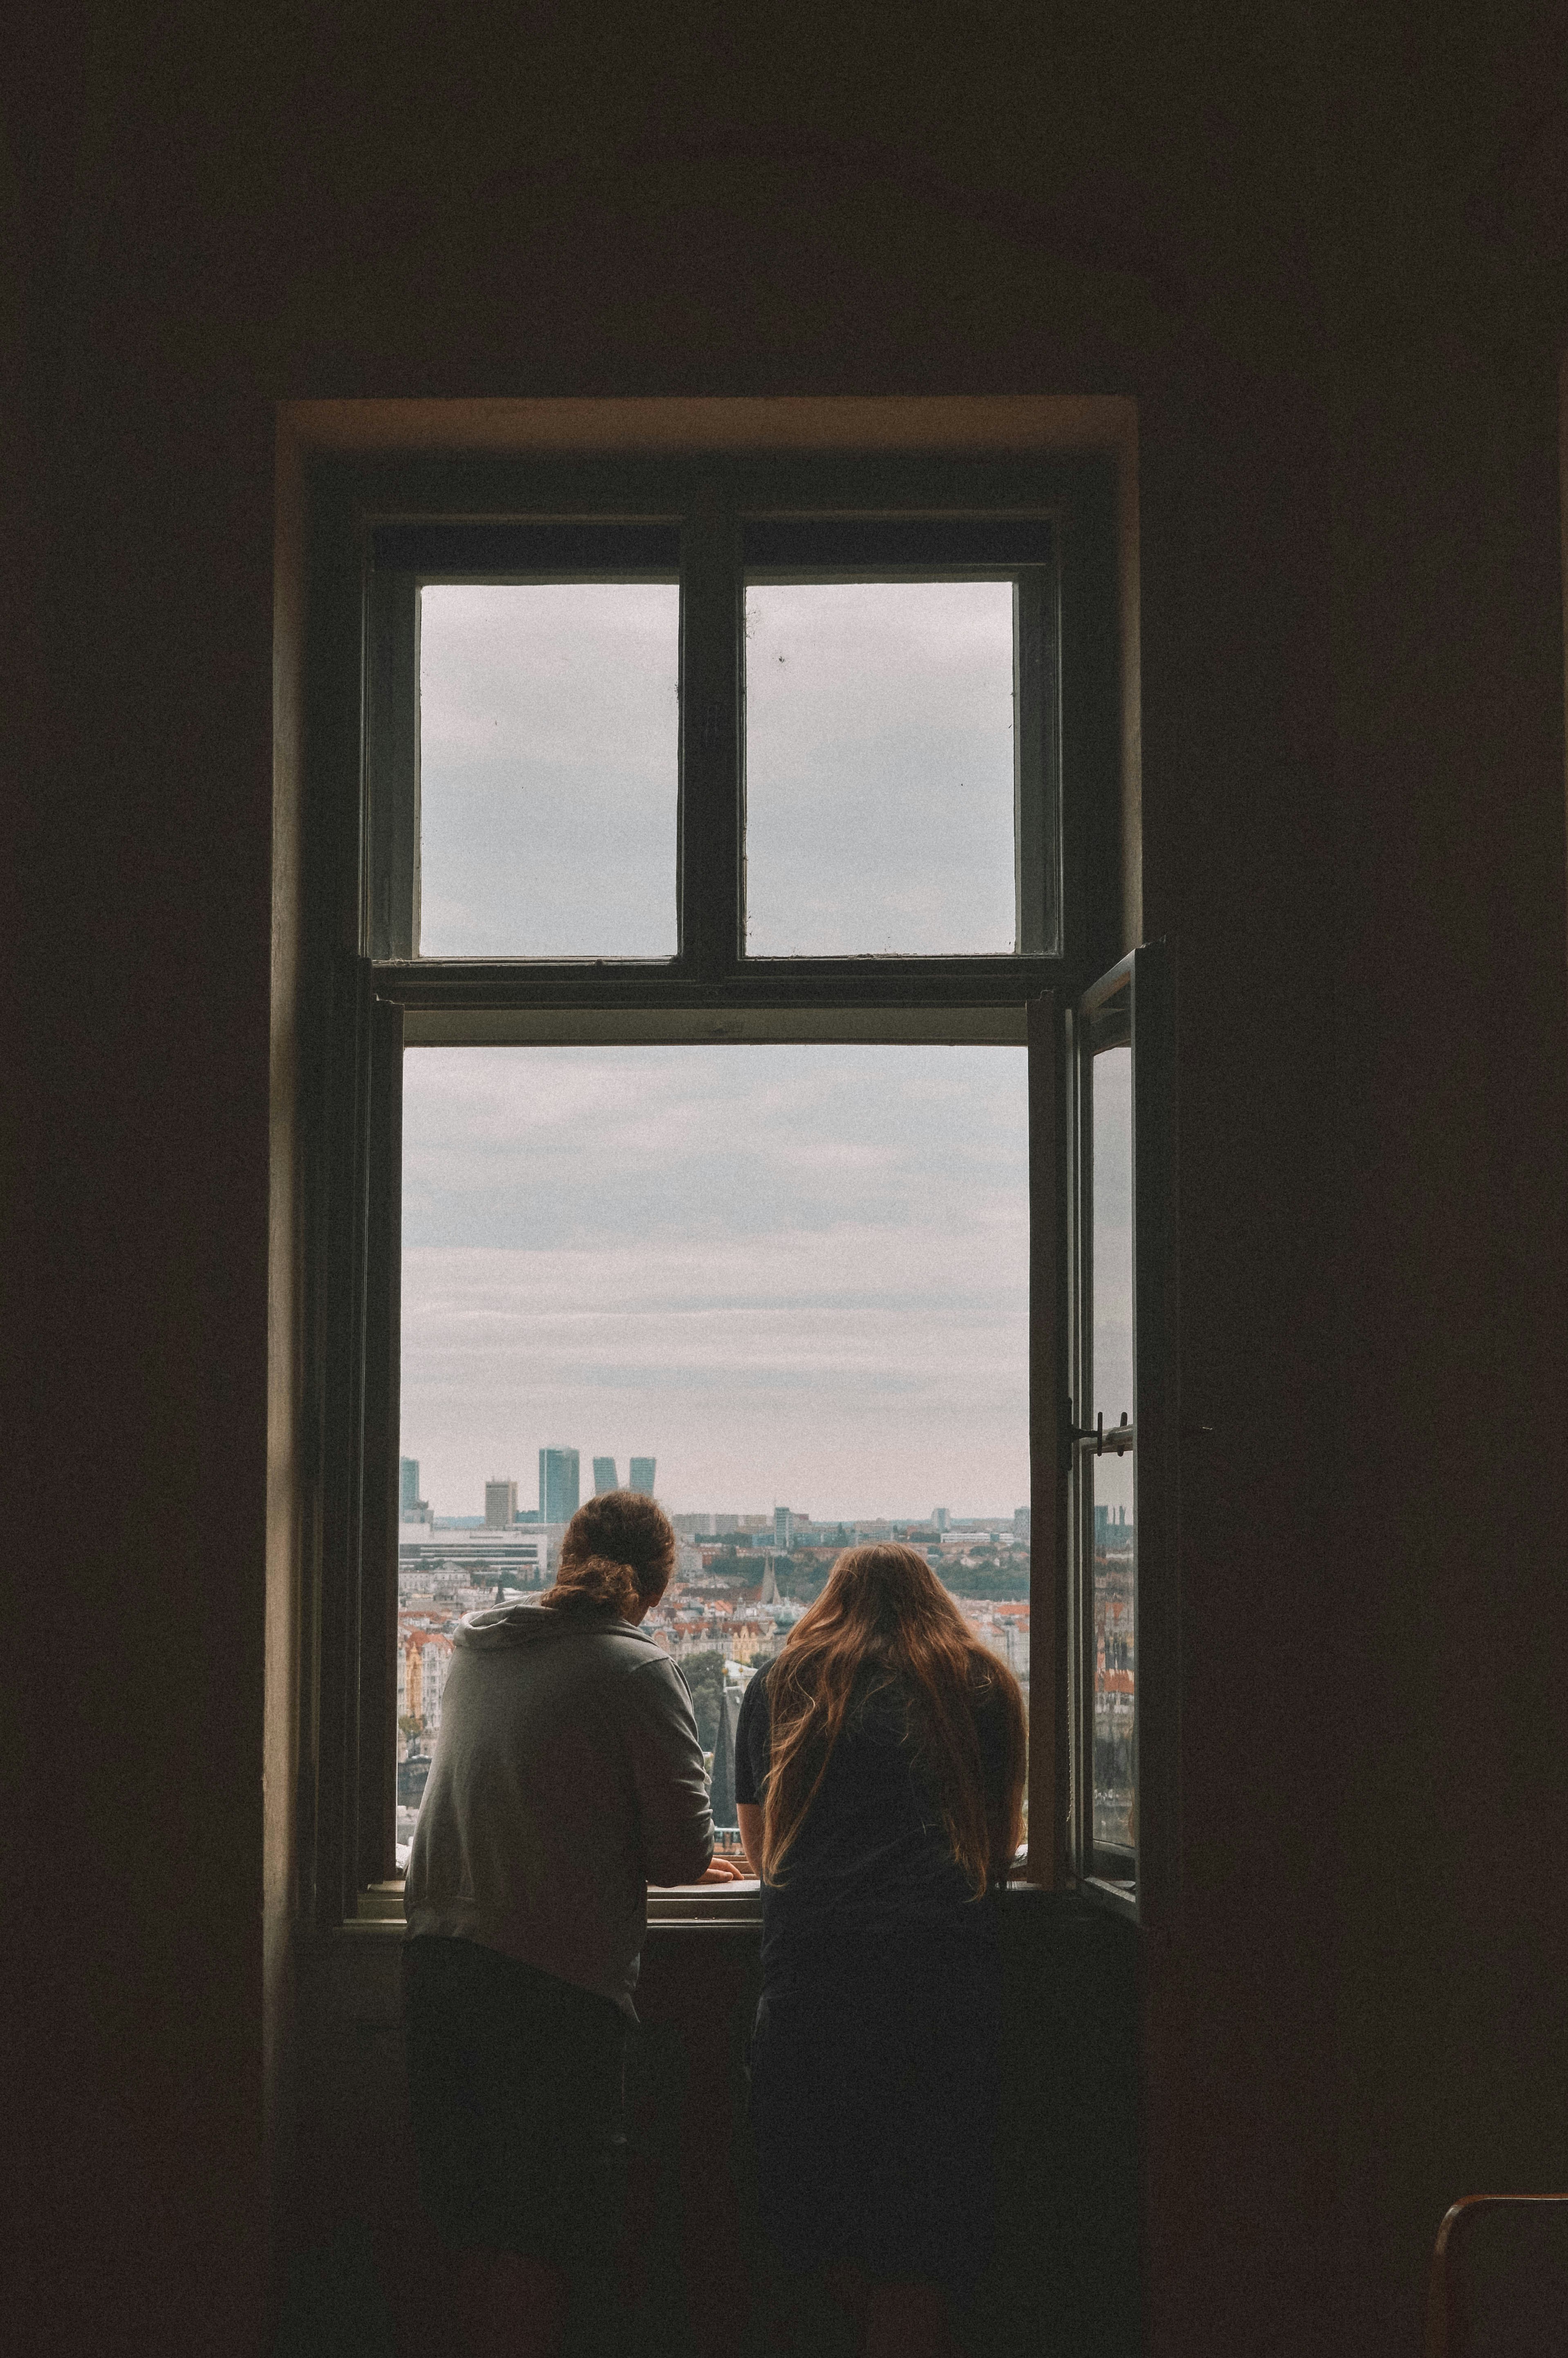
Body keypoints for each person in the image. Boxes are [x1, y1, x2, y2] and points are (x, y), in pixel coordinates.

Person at [402, 1489, 747, 2358]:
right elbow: (677, 1852)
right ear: (659, 1587)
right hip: (549, 1980)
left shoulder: (480, 1644)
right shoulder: (634, 1667)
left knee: (474, 2223)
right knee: (546, 2232)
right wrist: (677, 1847)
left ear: (566, 1560)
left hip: (436, 1959)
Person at [735, 1543, 1026, 2358]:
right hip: (938, 1979)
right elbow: (998, 1841)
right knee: (923, 2238)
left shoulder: (779, 1683)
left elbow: (764, 1853)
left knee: (819, 2226)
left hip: (813, 1982)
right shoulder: (982, 1683)